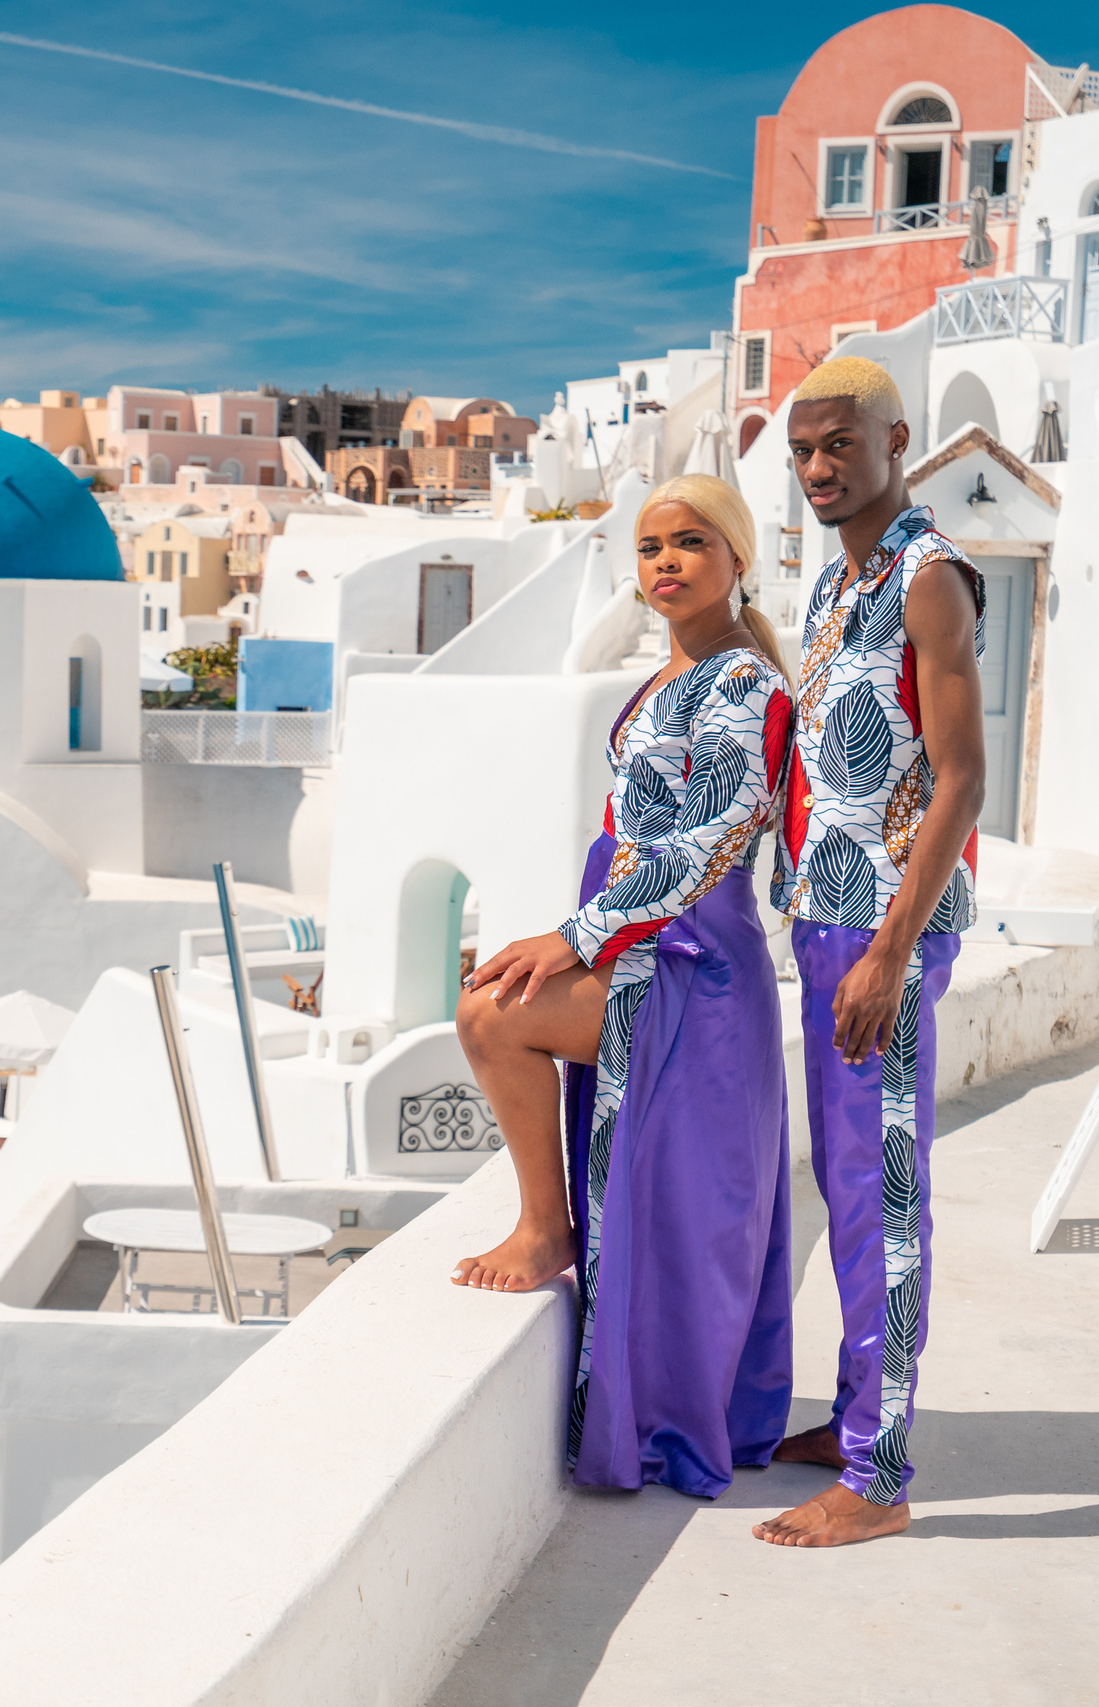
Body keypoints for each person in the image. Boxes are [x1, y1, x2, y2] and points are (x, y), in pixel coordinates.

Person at [450, 472, 800, 1497]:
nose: (667, 564)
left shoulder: (747, 685)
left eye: (691, 543)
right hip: (642, 947)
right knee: (492, 1008)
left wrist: (576, 935)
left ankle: (543, 1228)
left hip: (697, 966)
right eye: (649, 548)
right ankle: (548, 1225)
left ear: (738, 559)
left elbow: (713, 839)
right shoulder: (662, 683)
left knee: (490, 1016)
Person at [753, 356, 986, 1549]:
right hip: (827, 918)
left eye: (839, 445)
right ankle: (854, 1416)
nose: (817, 469)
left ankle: (879, 1479)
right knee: (846, 1190)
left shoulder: (929, 580)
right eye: (801, 451)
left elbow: (961, 779)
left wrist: (889, 952)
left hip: (882, 934)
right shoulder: (837, 586)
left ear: (895, 441)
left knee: (886, 1198)